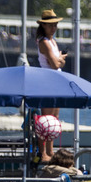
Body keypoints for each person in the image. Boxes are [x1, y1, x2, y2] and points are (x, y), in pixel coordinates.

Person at [35, 10, 67, 162]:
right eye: (50, 25)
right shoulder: (44, 42)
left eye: (55, 25)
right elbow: (55, 64)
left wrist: (59, 60)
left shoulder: (52, 41)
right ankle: (43, 153)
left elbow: (58, 63)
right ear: (43, 26)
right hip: (47, 82)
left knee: (54, 119)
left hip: (55, 82)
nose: (53, 28)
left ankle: (50, 150)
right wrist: (59, 59)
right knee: (45, 120)